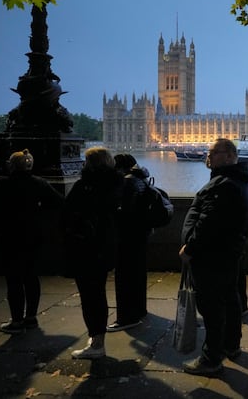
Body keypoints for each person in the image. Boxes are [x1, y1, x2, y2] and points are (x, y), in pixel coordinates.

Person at [180, 138, 248, 377]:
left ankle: (211, 359)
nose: (208, 155)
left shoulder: (224, 184)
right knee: (231, 299)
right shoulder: (243, 182)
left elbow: (208, 222)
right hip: (230, 252)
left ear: (228, 156)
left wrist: (190, 248)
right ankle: (231, 346)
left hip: (212, 256)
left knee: (212, 308)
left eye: (213, 152)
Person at [0, 150, 64, 334]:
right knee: (31, 277)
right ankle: (31, 317)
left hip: (9, 236)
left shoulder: (2, 185)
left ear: (11, 165)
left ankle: (16, 321)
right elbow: (59, 203)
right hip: (33, 235)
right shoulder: (39, 183)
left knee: (13, 280)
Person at [64, 147, 123, 359]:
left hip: (87, 248)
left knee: (90, 296)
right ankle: (98, 337)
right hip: (106, 247)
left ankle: (97, 343)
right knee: (97, 293)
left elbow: (68, 212)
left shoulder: (86, 186)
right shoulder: (118, 183)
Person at [107, 153, 150, 332]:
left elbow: (123, 212)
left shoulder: (127, 183)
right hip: (140, 236)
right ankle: (140, 310)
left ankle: (126, 317)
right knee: (138, 275)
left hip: (127, 238)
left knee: (124, 279)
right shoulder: (141, 179)